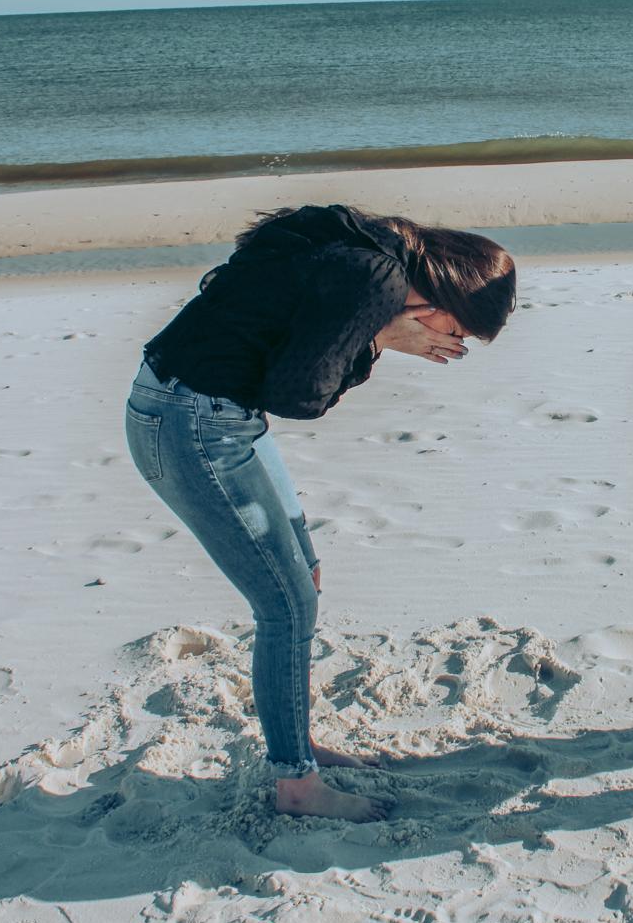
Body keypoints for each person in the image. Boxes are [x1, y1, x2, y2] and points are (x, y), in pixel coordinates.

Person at [126, 204, 515, 820]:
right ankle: (296, 786)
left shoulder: (370, 246)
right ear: (443, 300)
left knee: (302, 577)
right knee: (285, 605)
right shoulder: (376, 280)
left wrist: (371, 331)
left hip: (209, 411)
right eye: (459, 332)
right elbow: (299, 396)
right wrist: (380, 337)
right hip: (194, 423)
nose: (451, 344)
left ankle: (297, 744)